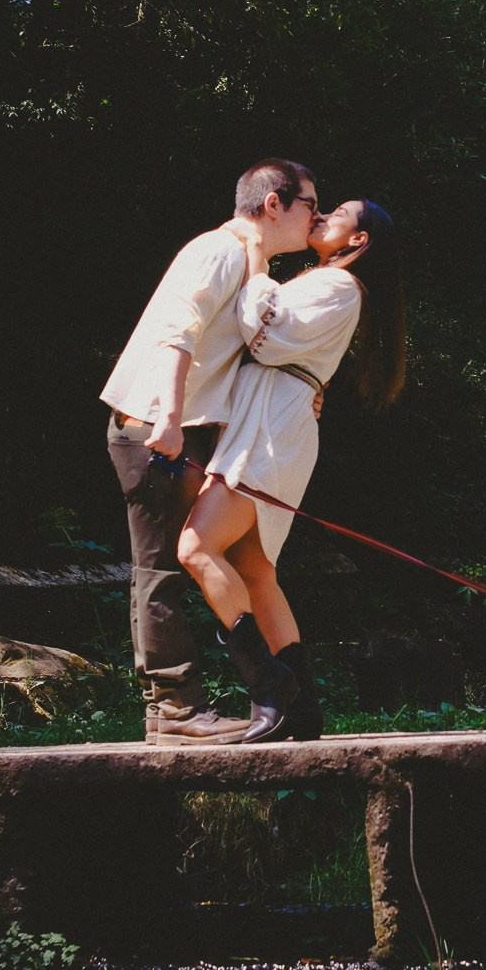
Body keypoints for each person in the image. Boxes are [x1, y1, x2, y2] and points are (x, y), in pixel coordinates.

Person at [100, 159, 321, 746]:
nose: (316, 220)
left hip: (187, 429)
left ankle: (193, 708)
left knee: (178, 564)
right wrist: (169, 417)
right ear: (274, 203)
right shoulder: (217, 250)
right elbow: (177, 332)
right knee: (158, 571)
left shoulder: (248, 263)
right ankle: (175, 711)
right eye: (310, 206)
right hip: (155, 427)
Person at [178, 199, 407, 743]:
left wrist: (257, 256)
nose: (324, 214)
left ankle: (269, 689)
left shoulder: (340, 287)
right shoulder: (330, 282)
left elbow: (267, 331)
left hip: (271, 431)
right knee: (256, 572)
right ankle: (302, 708)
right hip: (274, 420)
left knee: (196, 547)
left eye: (339, 213)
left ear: (358, 241)